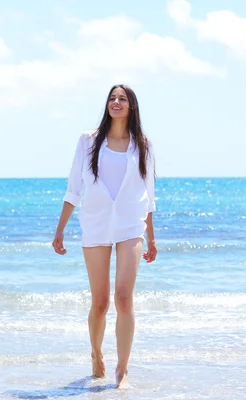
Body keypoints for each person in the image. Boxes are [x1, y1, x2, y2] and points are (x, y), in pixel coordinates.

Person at [52, 84, 157, 389]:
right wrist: (60, 229)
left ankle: (122, 370)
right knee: (100, 302)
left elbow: (148, 195)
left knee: (124, 299)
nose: (116, 102)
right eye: (112, 98)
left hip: (129, 225)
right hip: (96, 223)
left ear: (131, 106)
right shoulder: (88, 141)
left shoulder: (143, 145)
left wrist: (151, 238)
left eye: (122, 98)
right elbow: (74, 188)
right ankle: (96, 354)